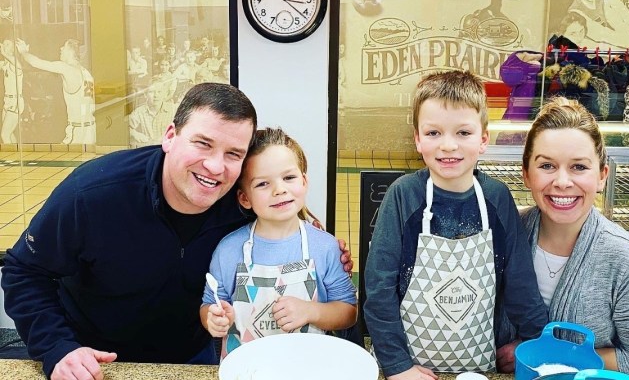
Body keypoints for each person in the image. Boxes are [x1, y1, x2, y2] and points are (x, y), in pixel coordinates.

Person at [1, 83, 353, 380]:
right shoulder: (92, 195)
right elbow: (24, 270)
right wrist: (57, 348)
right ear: (170, 136)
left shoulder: (239, 200)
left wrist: (321, 242)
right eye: (203, 143)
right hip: (96, 358)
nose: (215, 166)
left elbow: (284, 213)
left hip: (192, 357)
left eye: (234, 153)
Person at [364, 70, 547, 379]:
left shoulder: (497, 198)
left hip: (480, 367)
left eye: (463, 133)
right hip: (407, 366)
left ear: (484, 139)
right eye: (434, 133)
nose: (448, 146)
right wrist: (397, 366)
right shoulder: (403, 195)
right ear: (418, 140)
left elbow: (520, 282)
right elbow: (378, 287)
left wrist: (533, 344)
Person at [515, 96, 629, 380]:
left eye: (579, 167)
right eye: (547, 166)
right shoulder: (506, 234)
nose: (562, 181)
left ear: (602, 176)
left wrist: (551, 357)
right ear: (526, 174)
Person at [201, 127, 357, 357]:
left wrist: (311, 311)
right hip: (246, 369)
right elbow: (209, 303)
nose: (279, 190)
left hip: (308, 367)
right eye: (263, 184)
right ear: (245, 197)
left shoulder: (325, 247)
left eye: (289, 177)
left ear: (304, 181)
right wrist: (213, 319)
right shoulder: (229, 249)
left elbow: (348, 312)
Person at [15, 38, 95, 144]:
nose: (61, 48)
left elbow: (36, 63)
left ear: (71, 51)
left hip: (78, 132)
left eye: (64, 46)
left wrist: (24, 52)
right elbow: (86, 102)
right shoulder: (85, 72)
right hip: (90, 130)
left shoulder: (66, 68)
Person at [1, 39, 24, 143]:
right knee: (9, 134)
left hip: (15, 101)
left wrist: (3, 53)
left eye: (7, 44)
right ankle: (16, 155)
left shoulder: (15, 64)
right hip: (7, 101)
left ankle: (11, 159)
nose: (3, 45)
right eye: (3, 43)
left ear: (12, 49)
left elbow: (18, 64)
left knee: (4, 135)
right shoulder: (5, 64)